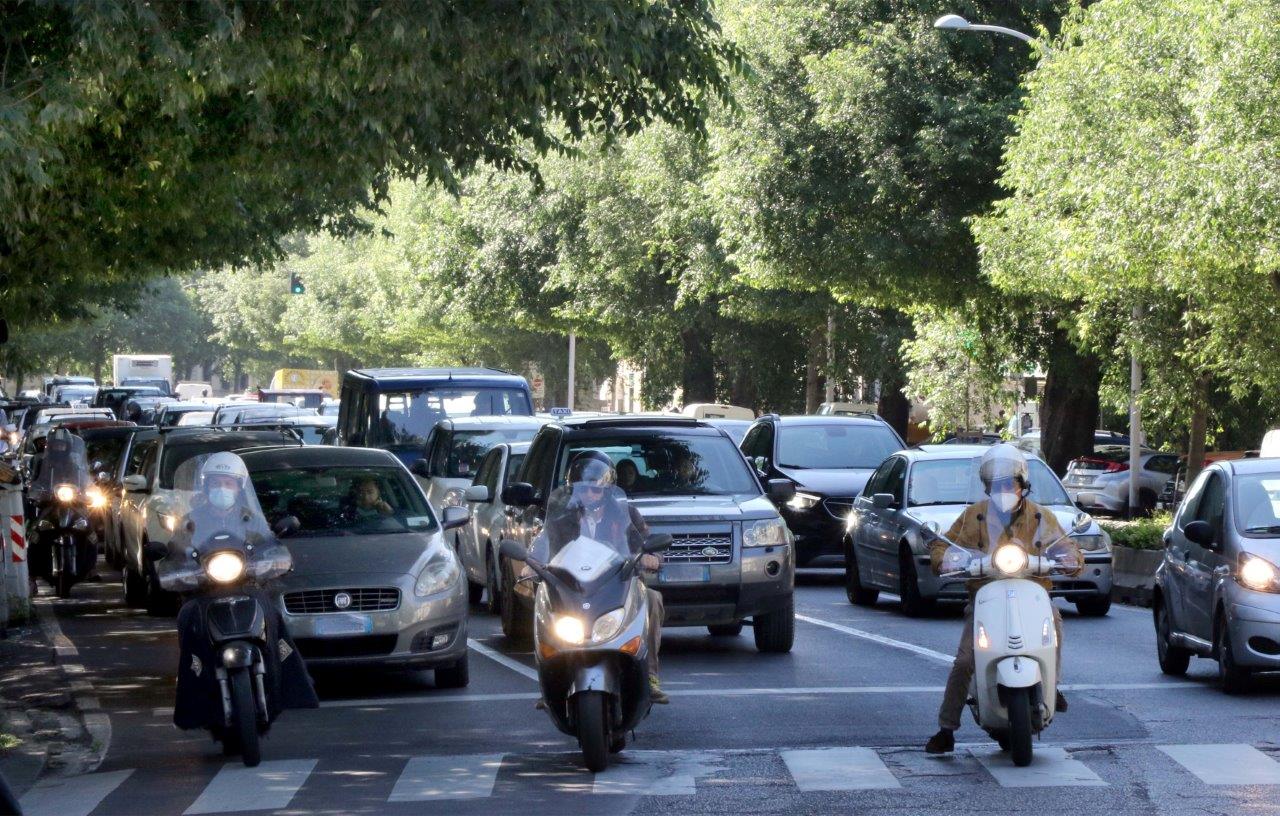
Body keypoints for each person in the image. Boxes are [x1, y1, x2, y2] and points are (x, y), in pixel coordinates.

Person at [924, 443, 1081, 755]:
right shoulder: (973, 516)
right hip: (986, 597)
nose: (1004, 490)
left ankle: (1052, 683)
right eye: (997, 486)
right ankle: (946, 726)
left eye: (1010, 484)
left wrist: (1069, 559)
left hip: (1032, 594)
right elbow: (945, 547)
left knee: (1055, 622)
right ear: (987, 487)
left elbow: (1066, 546)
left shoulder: (1040, 516)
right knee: (966, 658)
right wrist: (948, 560)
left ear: (1022, 484)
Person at [163, 452, 318, 732]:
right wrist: (175, 560)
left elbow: (268, 543)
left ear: (239, 487)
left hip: (246, 586)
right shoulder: (190, 520)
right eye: (216, 483)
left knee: (273, 614)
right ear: (206, 486)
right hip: (204, 590)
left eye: (229, 483)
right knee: (187, 616)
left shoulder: (251, 518)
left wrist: (273, 557)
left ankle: (279, 680)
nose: (222, 488)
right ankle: (194, 679)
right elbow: (176, 551)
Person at [537, 450, 668, 703]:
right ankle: (552, 682)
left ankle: (650, 676)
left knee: (652, 599)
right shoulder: (562, 517)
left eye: (595, 490)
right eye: (583, 489)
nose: (588, 495)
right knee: (543, 603)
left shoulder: (627, 514)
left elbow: (644, 544)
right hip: (574, 587)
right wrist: (533, 563)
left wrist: (652, 557)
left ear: (607, 490)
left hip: (618, 584)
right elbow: (543, 544)